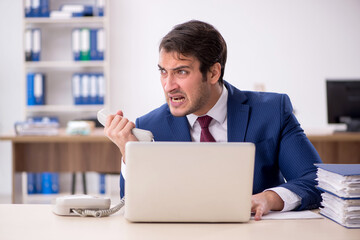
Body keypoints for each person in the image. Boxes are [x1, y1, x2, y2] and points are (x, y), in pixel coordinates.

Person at [104, 20, 322, 220]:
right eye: (163, 72)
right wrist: (128, 152)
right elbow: (133, 205)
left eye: (181, 72)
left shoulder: (272, 112)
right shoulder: (150, 126)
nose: (168, 85)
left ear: (213, 73)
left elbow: (315, 181)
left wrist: (269, 198)